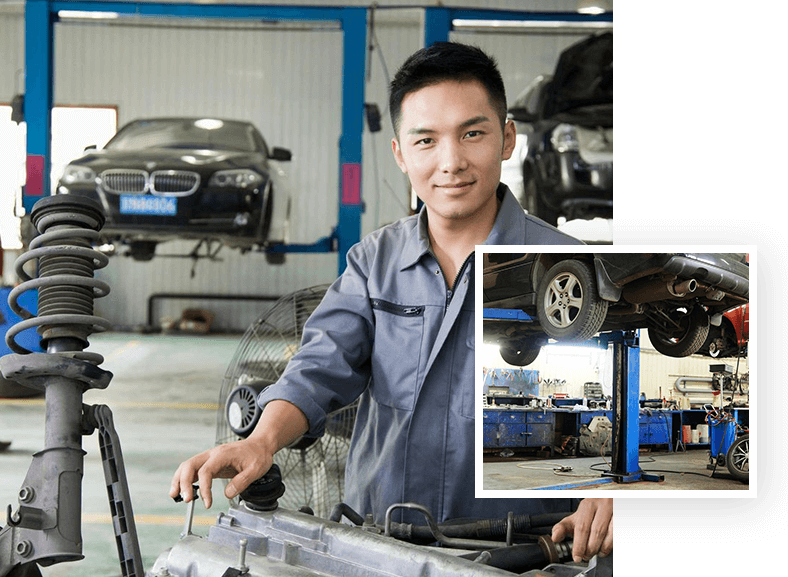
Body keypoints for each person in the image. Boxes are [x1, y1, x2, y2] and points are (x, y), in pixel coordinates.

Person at [171, 41, 612, 563]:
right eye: (425, 140)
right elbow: (318, 369)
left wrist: (613, 492)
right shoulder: (373, 263)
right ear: (401, 154)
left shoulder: (571, 269)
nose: (451, 161)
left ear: (507, 138)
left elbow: (618, 408)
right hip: (380, 546)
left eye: (472, 133)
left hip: (528, 551)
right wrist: (261, 441)